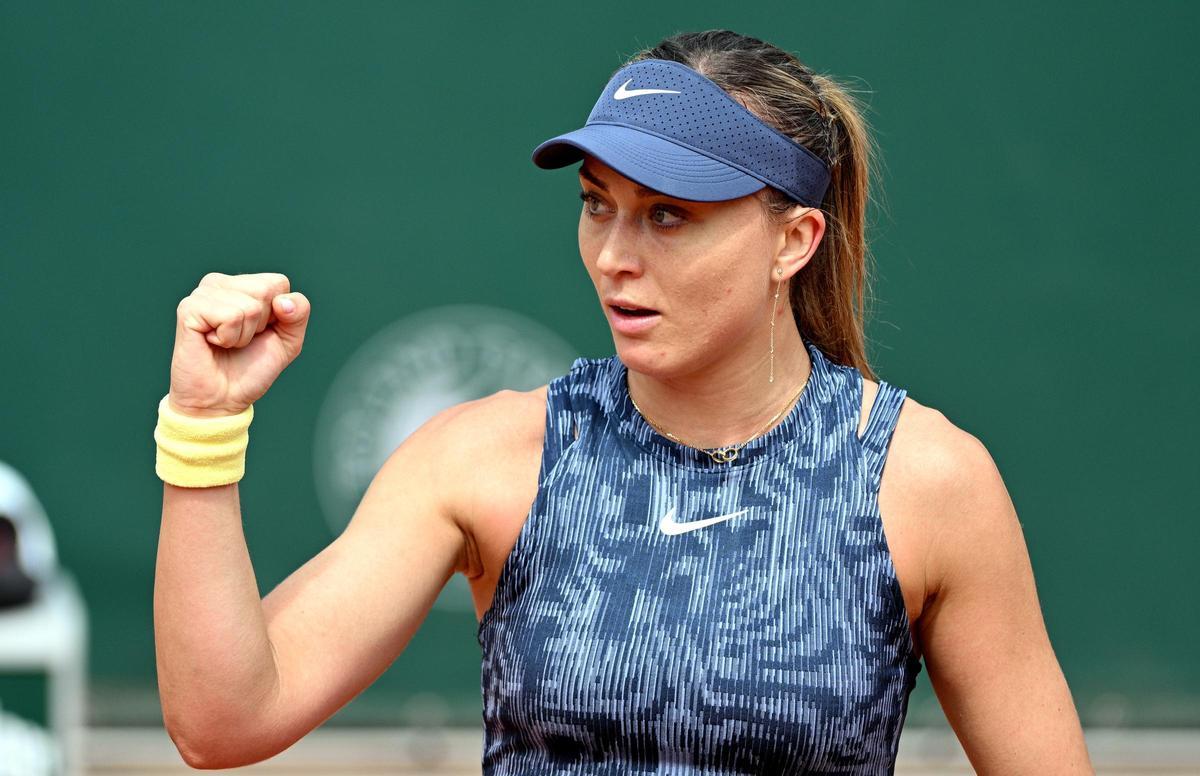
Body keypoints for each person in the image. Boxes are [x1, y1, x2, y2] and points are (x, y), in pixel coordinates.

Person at [152, 29, 1093, 775]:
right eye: (598, 203)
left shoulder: (928, 482)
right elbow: (225, 721)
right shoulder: (486, 458)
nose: (614, 256)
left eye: (669, 215)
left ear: (793, 239)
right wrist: (202, 425)